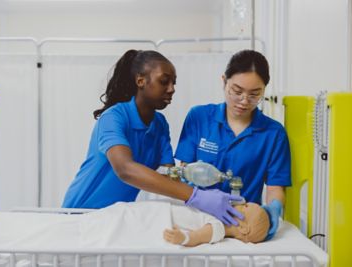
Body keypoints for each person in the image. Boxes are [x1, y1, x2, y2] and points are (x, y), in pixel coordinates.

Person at [62, 49, 244, 225]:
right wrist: (196, 196)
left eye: (174, 83)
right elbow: (125, 169)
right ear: (140, 81)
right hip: (79, 215)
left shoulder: (159, 124)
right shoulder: (114, 117)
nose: (172, 89)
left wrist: (204, 190)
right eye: (164, 81)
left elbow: (169, 176)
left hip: (113, 217)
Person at [174, 50, 291, 240]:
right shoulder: (199, 117)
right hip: (196, 216)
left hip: (241, 223)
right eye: (237, 91)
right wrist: (199, 197)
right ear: (224, 81)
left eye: (254, 94)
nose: (244, 101)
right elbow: (184, 170)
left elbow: (275, 186)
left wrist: (273, 209)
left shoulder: (274, 133)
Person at [163, 202, 270, 246]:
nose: (241, 203)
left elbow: (197, 237)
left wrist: (182, 238)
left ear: (243, 228)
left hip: (165, 216)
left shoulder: (218, 228)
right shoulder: (216, 214)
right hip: (167, 207)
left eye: (245, 206)